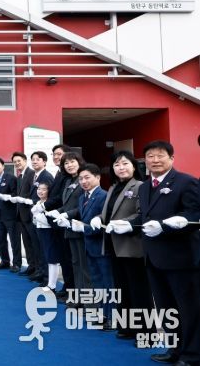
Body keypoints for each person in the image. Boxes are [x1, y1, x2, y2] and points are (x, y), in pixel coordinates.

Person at [133, 141, 200, 365]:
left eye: (160, 155)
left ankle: (193, 355)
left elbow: (193, 215)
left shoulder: (187, 182)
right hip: (153, 257)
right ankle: (174, 349)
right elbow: (144, 217)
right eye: (150, 156)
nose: (155, 160)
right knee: (166, 308)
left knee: (189, 309)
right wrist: (129, 225)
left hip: (181, 258)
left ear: (171, 158)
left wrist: (165, 226)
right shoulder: (144, 187)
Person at [98, 150, 154, 340]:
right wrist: (99, 218)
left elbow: (141, 213)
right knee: (122, 289)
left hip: (132, 245)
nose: (121, 168)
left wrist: (124, 223)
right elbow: (109, 213)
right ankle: (127, 327)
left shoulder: (140, 186)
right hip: (114, 244)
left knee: (139, 290)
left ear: (134, 166)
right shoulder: (113, 188)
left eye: (125, 164)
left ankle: (146, 332)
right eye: (116, 165)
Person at [70, 163, 112, 330]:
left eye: (87, 177)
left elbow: (103, 223)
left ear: (98, 177)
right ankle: (102, 314)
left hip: (102, 247)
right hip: (89, 246)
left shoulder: (104, 196)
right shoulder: (83, 197)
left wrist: (84, 228)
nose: (83, 181)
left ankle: (111, 317)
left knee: (108, 283)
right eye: (81, 179)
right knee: (97, 282)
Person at [50, 152, 89, 306]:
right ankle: (77, 297)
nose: (69, 165)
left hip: (80, 227)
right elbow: (66, 204)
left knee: (83, 267)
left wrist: (66, 214)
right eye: (66, 163)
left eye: (72, 161)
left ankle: (86, 300)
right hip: (68, 227)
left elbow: (84, 205)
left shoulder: (84, 179)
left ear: (79, 162)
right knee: (75, 264)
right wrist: (58, 211)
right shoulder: (68, 181)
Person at [26, 151, 54, 284]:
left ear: (44, 162)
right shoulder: (35, 175)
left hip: (44, 217)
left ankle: (47, 276)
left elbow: (48, 196)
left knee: (44, 248)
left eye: (38, 159)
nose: (34, 161)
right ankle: (41, 271)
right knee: (38, 247)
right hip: (36, 216)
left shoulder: (46, 176)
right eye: (33, 159)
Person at [0, 157, 20, 272]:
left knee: (14, 241)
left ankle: (16, 264)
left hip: (11, 215)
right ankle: (5, 261)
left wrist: (3, 196)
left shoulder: (11, 178)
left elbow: (15, 194)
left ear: (3, 166)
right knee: (1, 240)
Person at [31, 182, 64, 292]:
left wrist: (36, 214)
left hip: (50, 232)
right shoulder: (38, 202)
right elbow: (35, 221)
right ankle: (49, 283)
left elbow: (49, 221)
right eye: (39, 189)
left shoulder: (49, 204)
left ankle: (52, 285)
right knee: (46, 257)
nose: (40, 191)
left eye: (44, 189)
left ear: (49, 191)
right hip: (41, 231)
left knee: (52, 259)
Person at [12, 152, 36, 277]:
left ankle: (38, 269)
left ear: (25, 161)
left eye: (19, 161)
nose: (17, 163)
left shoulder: (31, 174)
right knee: (27, 244)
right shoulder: (19, 177)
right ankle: (31, 267)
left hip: (30, 215)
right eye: (15, 162)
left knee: (34, 243)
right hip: (21, 216)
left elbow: (34, 194)